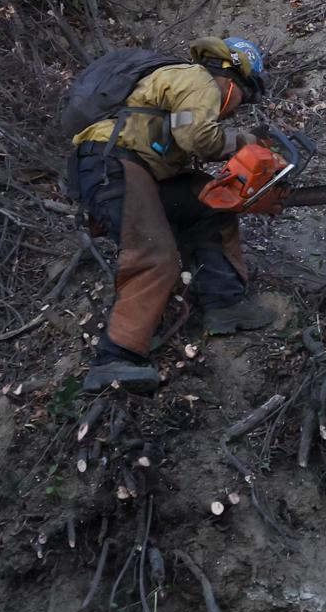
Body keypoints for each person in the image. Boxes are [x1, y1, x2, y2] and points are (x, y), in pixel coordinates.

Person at [70, 37, 276, 394]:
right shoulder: (199, 81)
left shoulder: (181, 87)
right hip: (114, 164)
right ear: (233, 80)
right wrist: (243, 141)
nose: (234, 110)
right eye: (243, 97)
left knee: (212, 202)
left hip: (139, 169)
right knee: (154, 255)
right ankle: (114, 359)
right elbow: (199, 138)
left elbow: (184, 137)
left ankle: (224, 302)